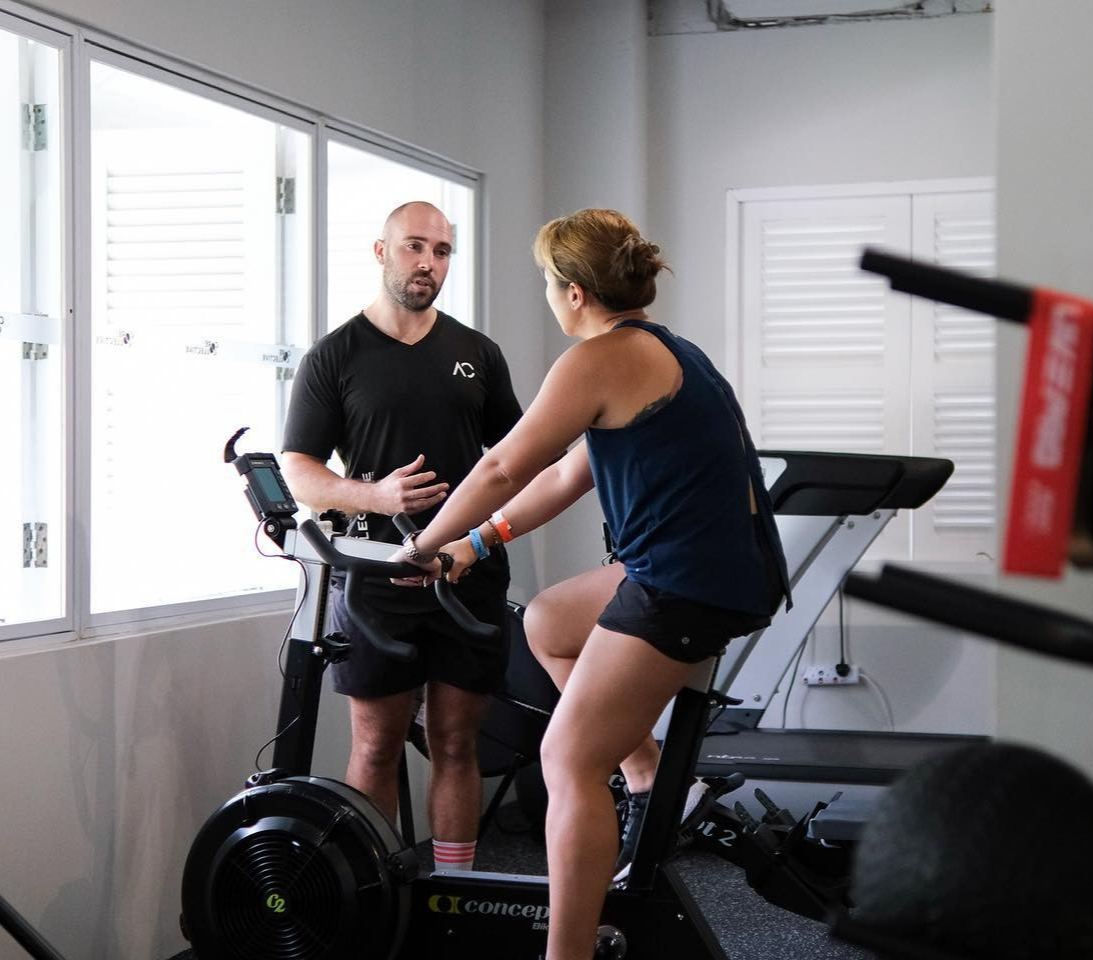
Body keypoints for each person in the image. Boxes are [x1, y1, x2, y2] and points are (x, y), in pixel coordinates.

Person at [390, 208, 790, 960]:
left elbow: (505, 465)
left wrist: (422, 542)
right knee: (547, 621)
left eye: (547, 281)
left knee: (566, 759)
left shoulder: (597, 360)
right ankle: (649, 780)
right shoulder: (662, 350)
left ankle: (565, 953)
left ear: (574, 291)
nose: (546, 293)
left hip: (686, 582)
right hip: (695, 567)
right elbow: (568, 475)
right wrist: (471, 543)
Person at [280, 200, 522, 874]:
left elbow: (518, 460)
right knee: (376, 746)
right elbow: (298, 469)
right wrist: (375, 496)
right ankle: (377, 899)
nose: (428, 262)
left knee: (454, 740)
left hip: (465, 575)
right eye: (415, 247)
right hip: (376, 581)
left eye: (442, 251)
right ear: (382, 251)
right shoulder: (335, 356)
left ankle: (454, 895)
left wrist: (472, 540)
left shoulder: (477, 354)